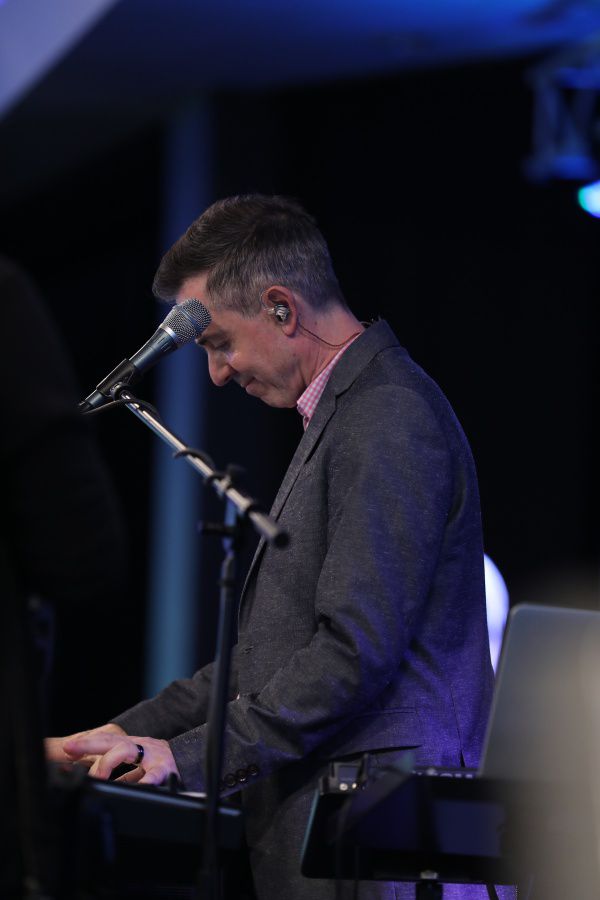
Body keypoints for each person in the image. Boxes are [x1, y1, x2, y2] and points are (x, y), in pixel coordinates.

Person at [47, 195, 495, 899]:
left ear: (282, 309)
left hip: (380, 842)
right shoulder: (348, 415)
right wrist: (111, 738)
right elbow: (263, 662)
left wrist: (187, 758)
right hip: (348, 836)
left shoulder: (388, 414)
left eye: (219, 343)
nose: (217, 373)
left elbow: (352, 652)